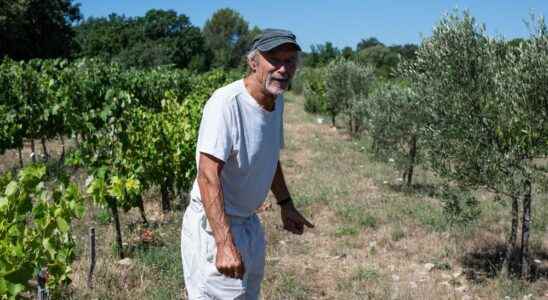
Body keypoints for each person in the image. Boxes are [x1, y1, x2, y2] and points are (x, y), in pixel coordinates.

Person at [181, 28, 314, 300]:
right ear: (253, 63)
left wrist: (286, 204)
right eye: (274, 60)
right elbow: (207, 175)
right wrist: (223, 243)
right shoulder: (226, 104)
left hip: (248, 224)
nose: (283, 68)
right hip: (216, 227)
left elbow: (268, 156)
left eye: (290, 61)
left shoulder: (276, 101)